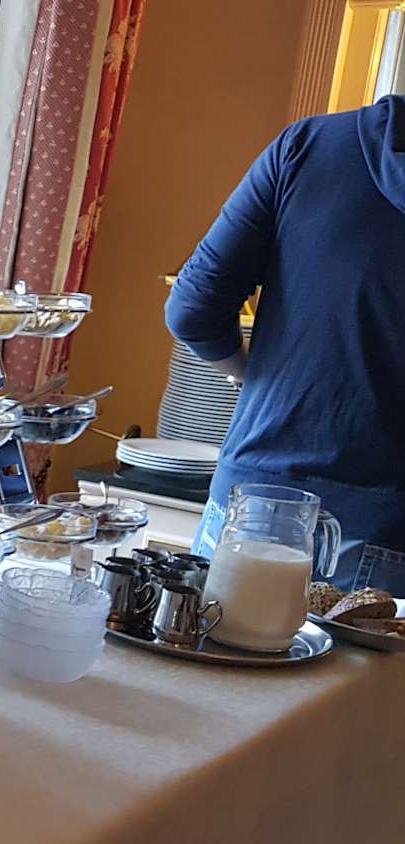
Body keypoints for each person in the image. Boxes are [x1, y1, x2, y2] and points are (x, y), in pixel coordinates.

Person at [165, 94, 405, 593]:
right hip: (387, 527)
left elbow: (192, 308)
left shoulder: (309, 146)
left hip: (252, 499)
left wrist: (248, 372)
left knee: (208, 643)